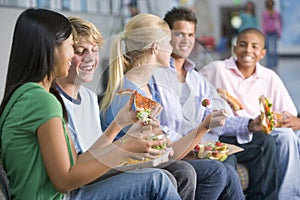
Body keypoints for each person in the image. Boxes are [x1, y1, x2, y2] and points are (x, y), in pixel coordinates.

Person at [0, 8, 181, 200]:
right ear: (49, 48)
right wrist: (125, 147)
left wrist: (119, 126)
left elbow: (76, 162)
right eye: (73, 47)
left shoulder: (28, 95)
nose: (73, 56)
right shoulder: (42, 101)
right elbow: (64, 181)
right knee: (158, 181)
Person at [100, 12, 244, 200]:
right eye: (168, 42)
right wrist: (203, 128)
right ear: (155, 48)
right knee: (214, 172)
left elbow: (166, 146)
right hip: (133, 167)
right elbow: (169, 152)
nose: (173, 48)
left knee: (222, 170)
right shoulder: (132, 95)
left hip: (150, 160)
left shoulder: (146, 89)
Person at [55, 15, 196, 199]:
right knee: (165, 178)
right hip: (80, 185)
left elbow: (96, 151)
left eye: (94, 50)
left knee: (180, 173)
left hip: (96, 171)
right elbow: (74, 170)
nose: (90, 58)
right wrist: (125, 145)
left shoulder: (89, 97)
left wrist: (122, 129)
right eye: (80, 51)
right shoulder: (54, 104)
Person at [153, 7, 279, 200]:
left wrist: (249, 124)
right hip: (176, 147)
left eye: (190, 34)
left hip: (201, 144)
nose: (186, 41)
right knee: (225, 163)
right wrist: (192, 145)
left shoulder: (196, 79)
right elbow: (153, 125)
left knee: (258, 144)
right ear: (166, 36)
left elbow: (216, 116)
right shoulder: (154, 75)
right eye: (179, 34)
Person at [200, 27, 300, 200]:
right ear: (234, 48)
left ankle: (288, 197)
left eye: (254, 47)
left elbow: (288, 113)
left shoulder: (269, 77)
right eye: (243, 45)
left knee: (286, 136)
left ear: (262, 53)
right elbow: (193, 87)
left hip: (260, 130)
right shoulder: (217, 69)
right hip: (229, 132)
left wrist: (295, 121)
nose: (248, 50)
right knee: (266, 141)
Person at [262, 0, 282, 71]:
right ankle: (269, 64)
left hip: (274, 33)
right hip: (267, 33)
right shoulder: (265, 13)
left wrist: (279, 32)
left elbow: (279, 23)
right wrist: (263, 33)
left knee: (274, 49)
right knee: (268, 49)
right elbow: (264, 23)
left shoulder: (276, 13)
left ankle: (275, 64)